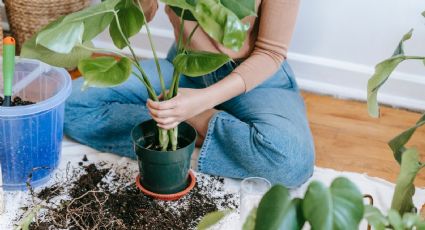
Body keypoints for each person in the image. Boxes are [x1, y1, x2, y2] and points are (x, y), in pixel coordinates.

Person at [65, 0, 315, 188]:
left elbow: (270, 53)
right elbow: (141, 15)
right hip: (185, 69)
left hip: (255, 79)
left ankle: (186, 126)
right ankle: (194, 132)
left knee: (291, 162)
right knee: (69, 104)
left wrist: (200, 108)